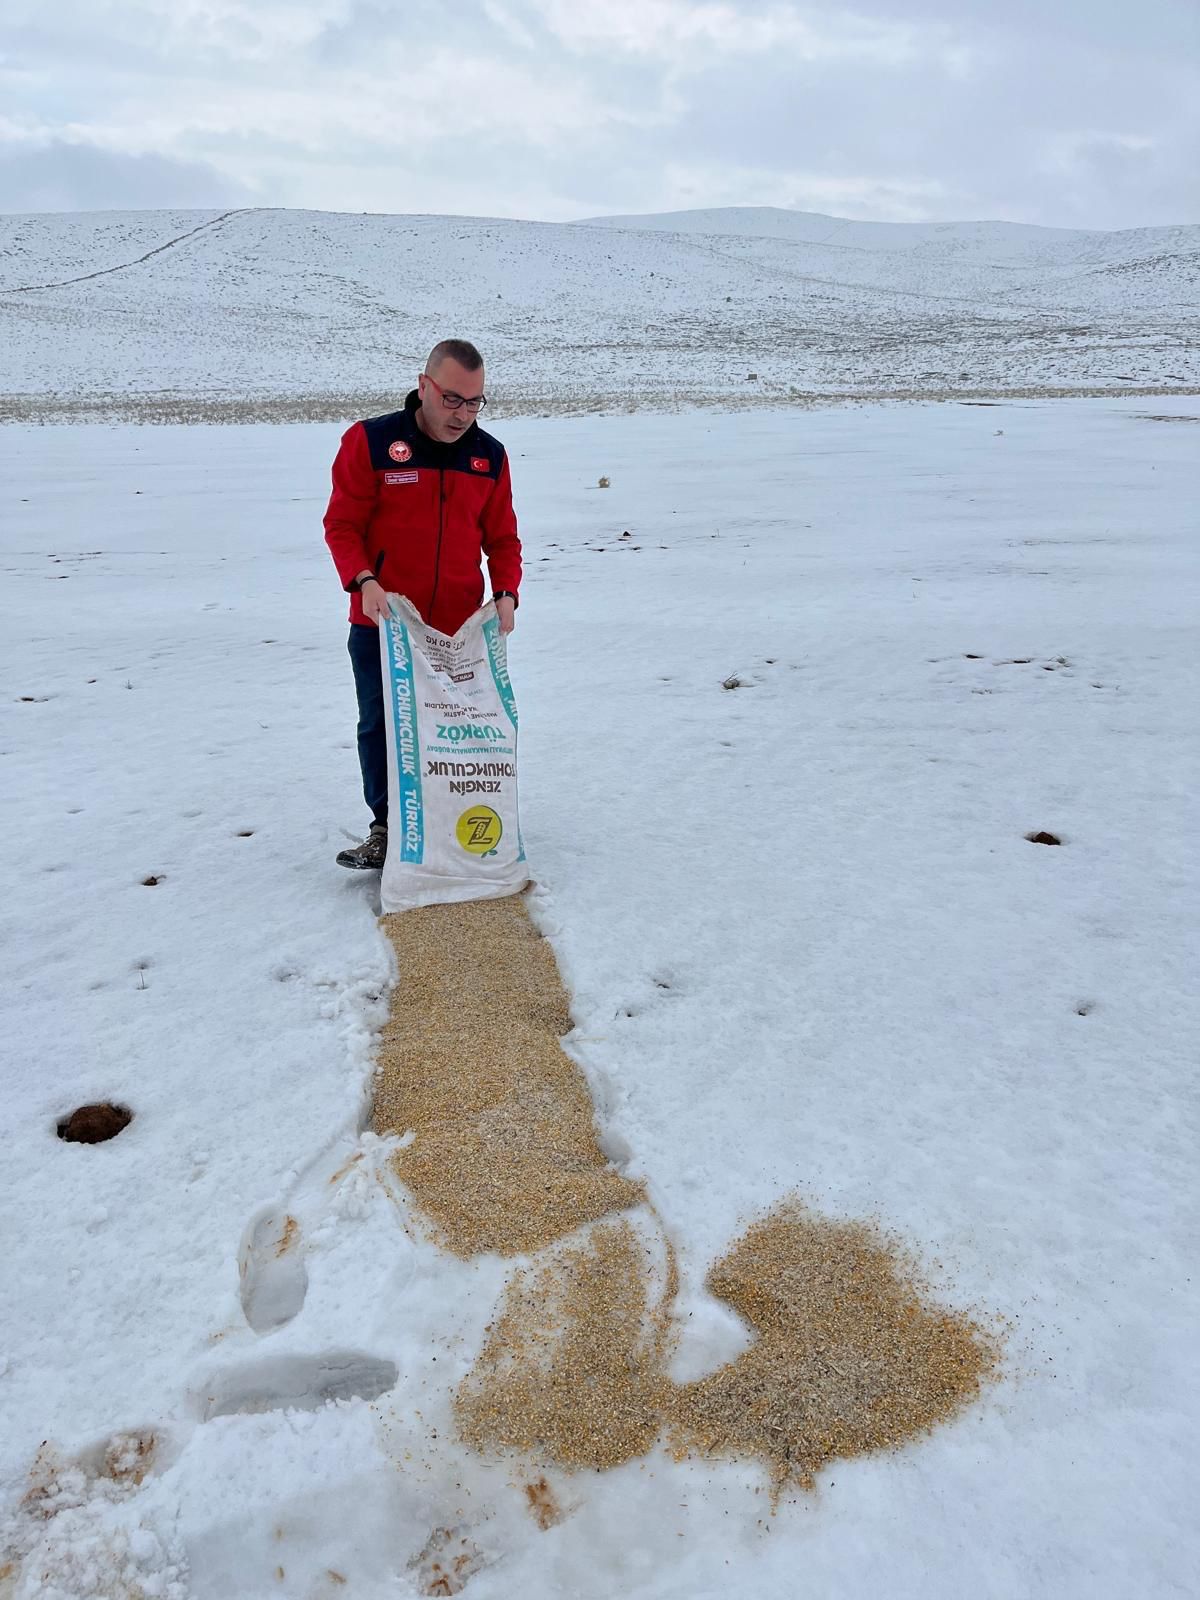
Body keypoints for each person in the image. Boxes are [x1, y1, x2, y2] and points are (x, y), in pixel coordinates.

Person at [323, 339, 522, 870]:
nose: (464, 414)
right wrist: (364, 582)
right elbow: (341, 524)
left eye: (476, 401)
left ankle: (455, 820)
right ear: (424, 385)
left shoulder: (488, 457)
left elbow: (502, 539)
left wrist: (505, 592)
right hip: (383, 620)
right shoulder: (372, 442)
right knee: (382, 725)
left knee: (457, 729)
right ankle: (388, 827)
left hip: (457, 631)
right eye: (454, 398)